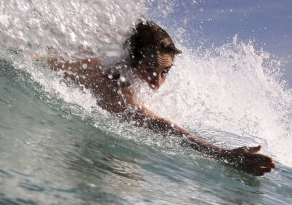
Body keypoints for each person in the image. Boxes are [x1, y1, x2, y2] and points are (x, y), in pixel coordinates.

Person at [36, 20, 275, 176]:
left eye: (164, 72)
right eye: (150, 70)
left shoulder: (128, 65)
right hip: (34, 66)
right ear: (132, 59)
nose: (156, 82)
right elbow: (156, 124)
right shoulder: (114, 78)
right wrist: (222, 154)